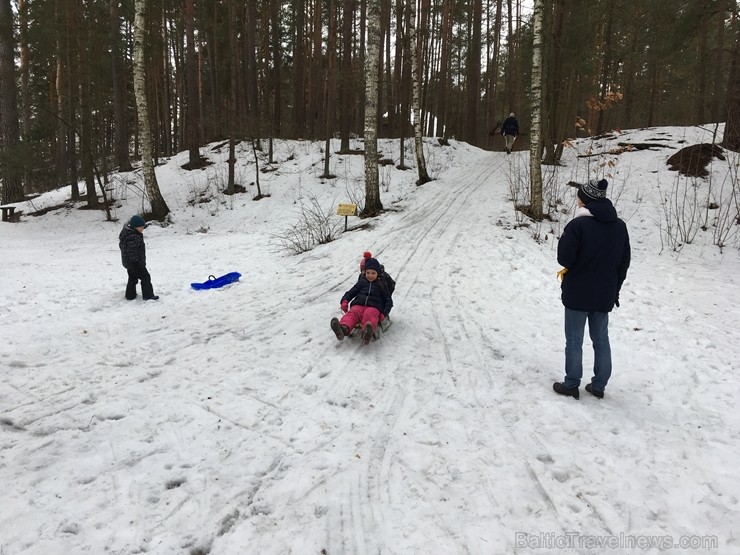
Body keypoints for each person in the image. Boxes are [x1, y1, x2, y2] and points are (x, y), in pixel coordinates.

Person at [553, 179, 630, 400]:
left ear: (585, 200)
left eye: (579, 197)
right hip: (604, 293)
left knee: (575, 341)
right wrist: (614, 289)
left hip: (578, 292)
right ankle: (599, 386)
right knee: (601, 340)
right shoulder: (620, 226)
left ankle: (571, 384)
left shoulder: (577, 226)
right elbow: (624, 262)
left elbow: (564, 258)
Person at [330, 257, 393, 344]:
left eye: (373, 273)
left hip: (374, 306)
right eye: (368, 273)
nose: (370, 275)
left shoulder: (381, 284)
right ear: (364, 272)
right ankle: (343, 329)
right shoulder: (362, 282)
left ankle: (367, 333)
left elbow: (388, 300)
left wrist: (384, 313)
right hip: (358, 304)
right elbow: (351, 292)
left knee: (370, 315)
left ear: (377, 273)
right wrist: (345, 301)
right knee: (352, 313)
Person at [119, 215, 159, 301]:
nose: (142, 229)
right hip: (135, 263)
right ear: (135, 227)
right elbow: (132, 251)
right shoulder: (133, 237)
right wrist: (136, 263)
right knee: (145, 277)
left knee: (132, 278)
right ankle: (148, 296)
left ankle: (130, 295)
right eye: (141, 227)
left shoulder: (128, 234)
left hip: (129, 263)